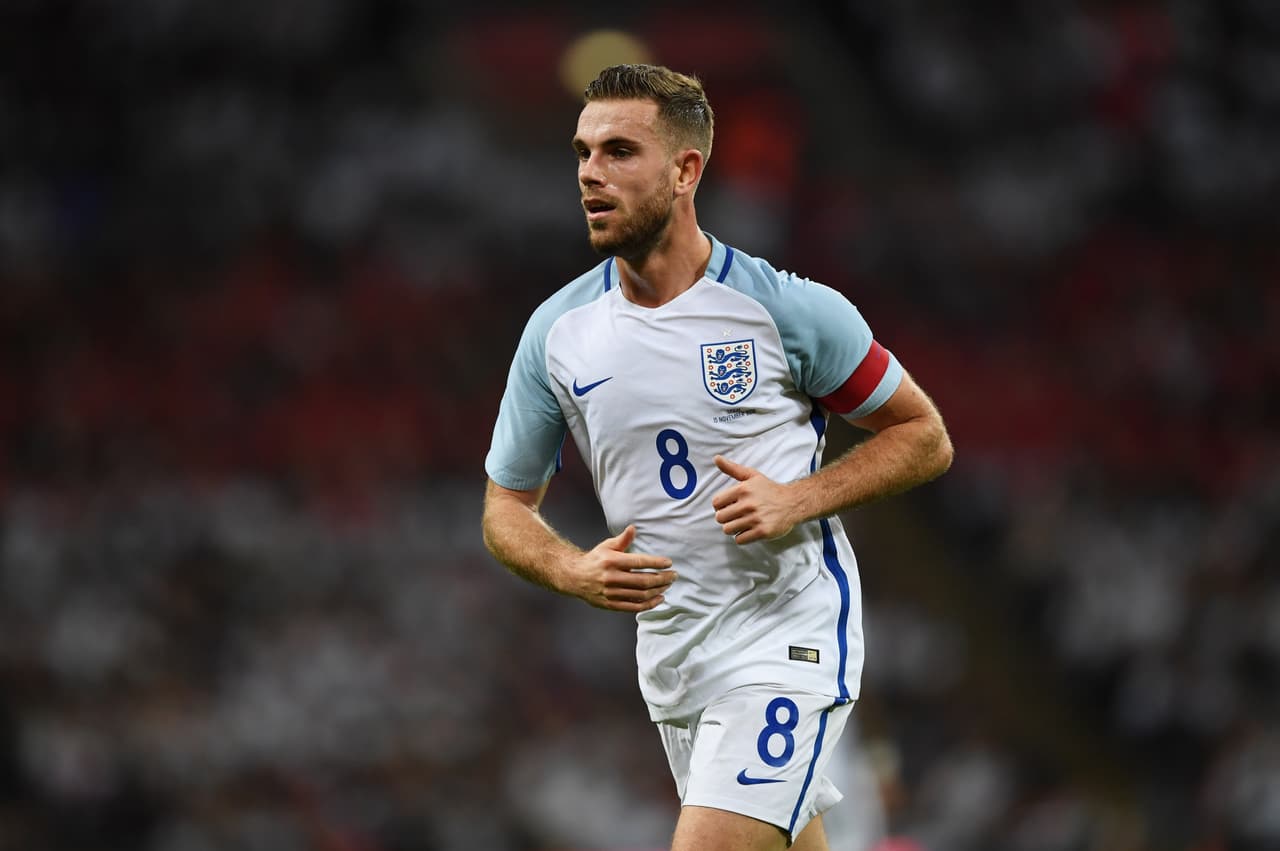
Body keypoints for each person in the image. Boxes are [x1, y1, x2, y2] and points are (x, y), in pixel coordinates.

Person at [482, 63, 953, 851]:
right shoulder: (557, 334)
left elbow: (925, 435)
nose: (591, 173)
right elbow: (505, 505)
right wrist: (571, 569)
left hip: (786, 640)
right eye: (582, 152)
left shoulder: (787, 309)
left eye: (620, 151)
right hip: (675, 659)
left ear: (684, 171)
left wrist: (796, 498)